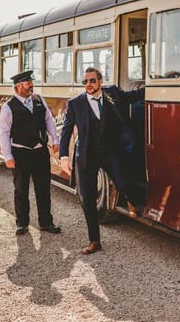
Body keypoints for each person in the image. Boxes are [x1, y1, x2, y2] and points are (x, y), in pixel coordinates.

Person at [59, 67, 145, 255]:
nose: (88, 85)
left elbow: (134, 96)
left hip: (110, 151)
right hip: (87, 156)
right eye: (85, 82)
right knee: (87, 199)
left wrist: (158, 84)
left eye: (92, 81)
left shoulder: (112, 93)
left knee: (123, 182)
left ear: (100, 81)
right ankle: (94, 240)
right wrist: (64, 155)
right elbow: (66, 131)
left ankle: (131, 200)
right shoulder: (75, 104)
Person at [0, 71, 61, 236]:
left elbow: (49, 120)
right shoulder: (8, 107)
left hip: (40, 152)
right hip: (20, 153)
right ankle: (22, 224)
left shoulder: (39, 100)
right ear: (18, 86)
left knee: (43, 189)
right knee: (21, 190)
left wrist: (55, 140)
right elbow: (3, 132)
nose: (31, 85)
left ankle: (46, 223)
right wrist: (8, 156)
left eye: (31, 82)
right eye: (28, 83)